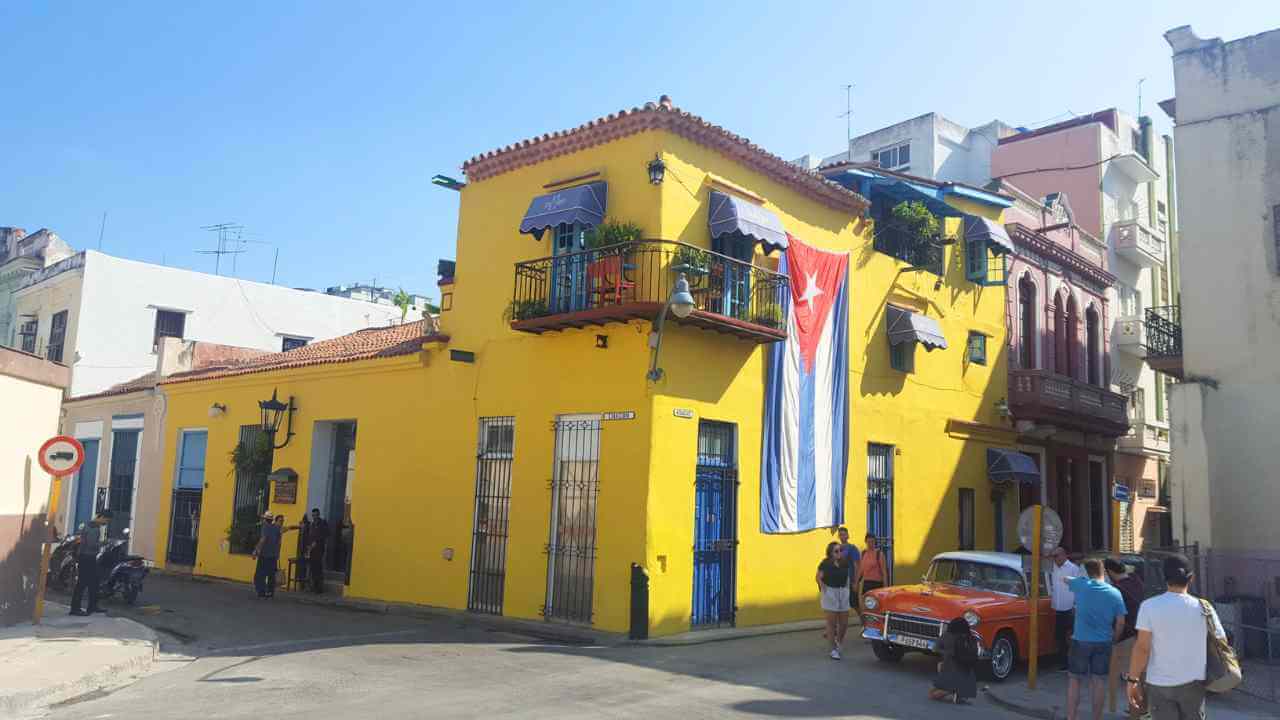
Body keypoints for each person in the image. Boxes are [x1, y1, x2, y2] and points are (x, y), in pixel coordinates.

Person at [1125, 554, 1226, 720]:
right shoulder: (1204, 608)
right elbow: (1221, 640)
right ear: (1191, 578)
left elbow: (1142, 648)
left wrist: (1133, 679)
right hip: (1194, 681)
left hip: (1159, 683)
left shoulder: (1149, 607)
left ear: (1165, 578)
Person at [1062, 559, 1127, 720]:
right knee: (1099, 681)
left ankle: (1071, 717)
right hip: (1104, 642)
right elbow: (1121, 622)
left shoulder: (1081, 585)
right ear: (1103, 571)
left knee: (1074, 680)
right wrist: (1114, 639)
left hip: (1080, 640)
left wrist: (1080, 578)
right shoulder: (1115, 592)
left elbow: (1064, 579)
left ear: (1087, 572)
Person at [1104, 557, 1144, 712]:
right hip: (1142, 632)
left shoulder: (1116, 589)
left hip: (1126, 636)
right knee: (1139, 675)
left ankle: (1135, 711)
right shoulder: (1136, 580)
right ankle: (1140, 709)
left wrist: (1114, 638)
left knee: (1128, 676)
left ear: (1110, 572)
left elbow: (1118, 620)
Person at [70, 510, 112, 616]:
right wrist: (105, 543)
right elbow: (91, 544)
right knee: (82, 583)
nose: (106, 523)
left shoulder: (92, 525)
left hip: (89, 557)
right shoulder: (93, 527)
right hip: (86, 557)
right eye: (106, 520)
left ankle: (93, 606)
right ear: (101, 517)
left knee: (94, 583)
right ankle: (75, 608)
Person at [928, 618, 978, 705]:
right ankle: (959, 692)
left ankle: (953, 690)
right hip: (967, 671)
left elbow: (935, 649)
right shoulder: (971, 638)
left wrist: (947, 652)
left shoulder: (947, 636)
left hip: (949, 668)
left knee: (931, 694)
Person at [816, 541, 852, 660]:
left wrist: (847, 589)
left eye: (840, 550)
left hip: (843, 592)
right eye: (836, 551)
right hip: (831, 592)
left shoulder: (844, 563)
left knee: (844, 623)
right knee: (831, 623)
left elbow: (847, 577)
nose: (839, 553)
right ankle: (833, 649)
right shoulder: (825, 563)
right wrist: (824, 589)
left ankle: (839, 642)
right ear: (830, 553)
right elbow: (818, 577)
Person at [1050, 546, 1083, 669]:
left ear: (1064, 555)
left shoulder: (1073, 569)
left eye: (1056, 556)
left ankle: (1074, 662)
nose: (1055, 559)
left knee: (1071, 636)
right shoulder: (1052, 568)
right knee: (1060, 637)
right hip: (1057, 607)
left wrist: (1076, 605)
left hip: (1070, 608)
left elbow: (1079, 589)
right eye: (1053, 556)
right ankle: (1063, 662)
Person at [252, 513, 299, 598]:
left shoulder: (267, 527)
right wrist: (299, 527)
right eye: (281, 521)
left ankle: (262, 591)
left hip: (265, 555)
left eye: (282, 521)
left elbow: (263, 540)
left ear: (265, 520)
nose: (282, 522)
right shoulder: (277, 528)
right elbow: (289, 528)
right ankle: (270, 592)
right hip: (273, 556)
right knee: (271, 575)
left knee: (261, 574)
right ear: (274, 520)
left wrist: (256, 550)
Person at [836, 527, 861, 622]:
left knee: (855, 605)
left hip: (850, 582)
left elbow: (857, 566)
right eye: (840, 535)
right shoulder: (837, 549)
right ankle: (838, 626)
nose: (842, 536)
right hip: (840, 583)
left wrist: (856, 582)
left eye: (844, 534)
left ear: (848, 536)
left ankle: (865, 623)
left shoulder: (852, 548)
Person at [858, 533, 887, 609]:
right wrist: (856, 583)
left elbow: (884, 572)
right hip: (866, 584)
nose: (870, 544)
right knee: (865, 606)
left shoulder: (879, 554)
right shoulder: (863, 553)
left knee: (876, 607)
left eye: (872, 542)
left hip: (877, 585)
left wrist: (885, 589)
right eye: (868, 542)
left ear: (875, 542)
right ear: (865, 542)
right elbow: (861, 570)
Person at [304, 508, 329, 594]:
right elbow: (309, 535)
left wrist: (317, 542)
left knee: (318, 568)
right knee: (313, 568)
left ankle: (318, 588)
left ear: (319, 515)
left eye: (316, 515)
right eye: (313, 515)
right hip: (311, 549)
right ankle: (313, 586)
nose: (314, 517)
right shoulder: (311, 524)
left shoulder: (323, 523)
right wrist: (308, 546)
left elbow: (326, 534)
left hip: (319, 549)